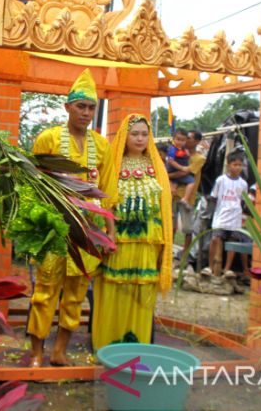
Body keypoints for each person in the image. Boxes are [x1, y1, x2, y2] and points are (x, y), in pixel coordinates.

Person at [26, 68, 114, 367]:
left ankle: (59, 350)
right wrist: (36, 226)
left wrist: (109, 231)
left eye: (91, 108)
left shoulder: (102, 146)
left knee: (76, 292)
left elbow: (106, 191)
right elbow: (33, 183)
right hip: (53, 226)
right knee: (45, 290)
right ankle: (37, 351)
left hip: (88, 230)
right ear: (67, 107)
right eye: (81, 106)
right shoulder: (48, 139)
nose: (86, 113)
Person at [92, 114, 172, 349]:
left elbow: (164, 207)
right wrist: (109, 235)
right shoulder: (112, 166)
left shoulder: (156, 168)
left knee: (141, 291)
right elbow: (106, 203)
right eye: (134, 133)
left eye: (144, 134)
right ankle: (107, 345)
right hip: (119, 241)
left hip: (148, 243)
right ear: (124, 136)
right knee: (115, 288)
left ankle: (136, 348)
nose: (139, 138)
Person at [202, 151, 248, 277]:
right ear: (228, 165)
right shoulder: (220, 180)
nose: (237, 167)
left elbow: (243, 201)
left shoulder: (243, 184)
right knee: (215, 239)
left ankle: (227, 269)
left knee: (232, 242)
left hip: (235, 216)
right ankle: (210, 267)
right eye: (235, 164)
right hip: (221, 215)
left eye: (240, 165)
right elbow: (214, 197)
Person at [170, 130, 206, 256]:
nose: (186, 140)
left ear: (197, 141)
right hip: (173, 194)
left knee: (187, 228)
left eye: (189, 138)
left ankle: (185, 254)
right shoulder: (179, 153)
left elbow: (185, 173)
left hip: (188, 196)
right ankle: (168, 253)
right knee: (171, 226)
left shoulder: (199, 158)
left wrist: (167, 175)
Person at [222, 184, 256, 279]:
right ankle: (229, 269)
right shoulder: (255, 188)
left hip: (245, 220)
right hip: (245, 220)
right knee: (240, 243)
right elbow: (248, 206)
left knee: (242, 243)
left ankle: (245, 270)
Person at [166, 128, 195, 208]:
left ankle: (183, 200)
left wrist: (188, 155)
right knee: (191, 181)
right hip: (173, 171)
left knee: (174, 189)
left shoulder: (183, 149)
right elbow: (171, 161)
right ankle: (182, 200)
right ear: (173, 139)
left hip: (179, 173)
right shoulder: (172, 149)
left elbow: (186, 157)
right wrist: (181, 168)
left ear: (186, 141)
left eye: (183, 140)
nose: (180, 142)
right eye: (178, 139)